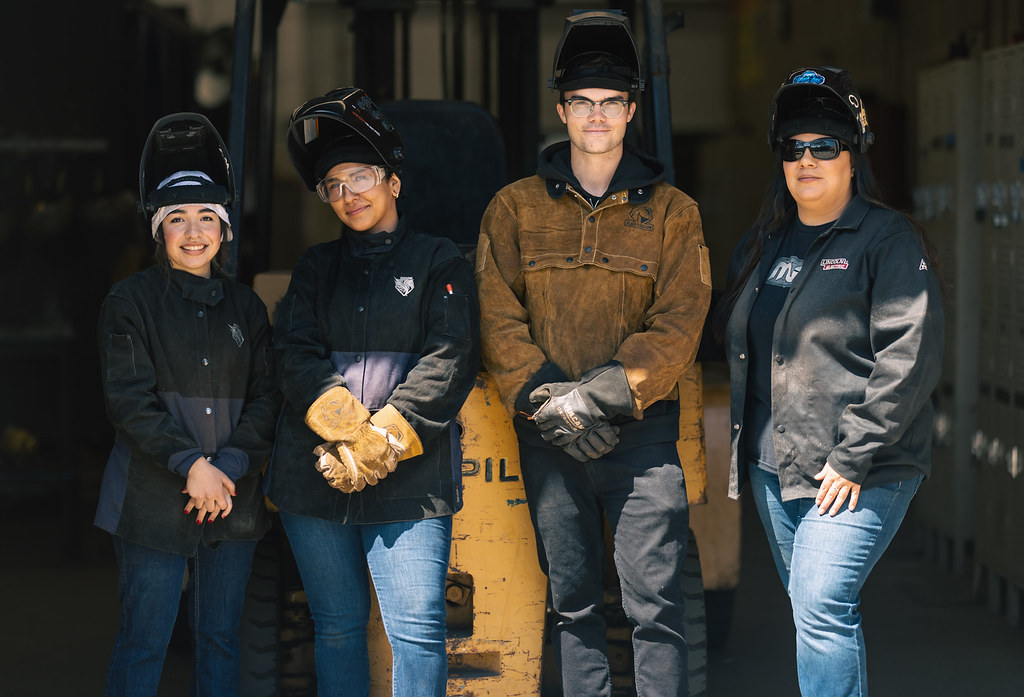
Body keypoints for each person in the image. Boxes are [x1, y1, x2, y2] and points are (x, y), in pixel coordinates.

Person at [475, 10, 711, 697]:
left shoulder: (673, 213)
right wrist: (551, 401)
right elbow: (496, 317)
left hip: (643, 440)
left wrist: (594, 399)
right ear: (562, 110)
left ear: (631, 110)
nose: (597, 115)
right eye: (582, 102)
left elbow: (679, 325)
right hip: (548, 437)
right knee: (572, 608)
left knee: (656, 611)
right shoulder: (513, 209)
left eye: (611, 102)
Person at [715, 66, 944, 696]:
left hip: (859, 468)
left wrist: (852, 455)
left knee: (820, 604)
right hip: (774, 466)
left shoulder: (887, 240)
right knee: (813, 611)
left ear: (853, 156)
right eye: (794, 148)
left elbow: (910, 356)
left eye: (824, 145)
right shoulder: (763, 243)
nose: (807, 160)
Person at [266, 87, 481, 697]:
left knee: (417, 631)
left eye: (360, 176)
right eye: (332, 185)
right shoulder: (315, 268)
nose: (347, 194)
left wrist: (382, 438)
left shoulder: (439, 262)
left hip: (408, 479)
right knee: (336, 627)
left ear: (393, 181)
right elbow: (294, 352)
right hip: (317, 474)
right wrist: (347, 432)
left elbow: (451, 356)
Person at [95, 113, 279, 697]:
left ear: (224, 229)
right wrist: (192, 466)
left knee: (220, 639)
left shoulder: (247, 308)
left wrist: (227, 468)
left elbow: (268, 398)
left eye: (206, 217)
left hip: (232, 497)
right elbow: (129, 401)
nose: (193, 231)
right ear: (159, 230)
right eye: (177, 218)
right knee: (143, 639)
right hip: (151, 499)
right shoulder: (130, 302)